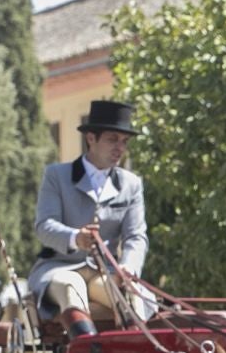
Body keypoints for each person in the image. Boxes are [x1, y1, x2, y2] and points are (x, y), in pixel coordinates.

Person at [32, 100, 148, 337]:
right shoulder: (56, 175)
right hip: (60, 267)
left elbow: (136, 236)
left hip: (103, 272)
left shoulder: (131, 184)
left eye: (124, 142)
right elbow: (44, 226)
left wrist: (127, 267)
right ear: (91, 139)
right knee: (71, 286)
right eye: (112, 139)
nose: (119, 148)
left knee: (131, 296)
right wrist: (76, 238)